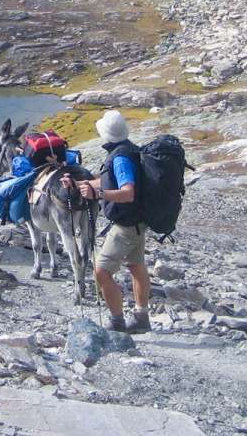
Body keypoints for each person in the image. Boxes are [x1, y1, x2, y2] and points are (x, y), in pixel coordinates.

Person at [60, 110, 151, 333]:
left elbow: (128, 192)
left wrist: (99, 195)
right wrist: (85, 184)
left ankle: (117, 321)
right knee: (136, 267)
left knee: (101, 271)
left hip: (125, 227)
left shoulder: (119, 158)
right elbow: (112, 180)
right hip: (138, 222)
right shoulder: (129, 150)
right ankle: (141, 317)